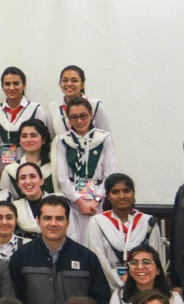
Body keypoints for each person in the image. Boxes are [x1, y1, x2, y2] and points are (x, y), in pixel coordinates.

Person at [8, 196, 110, 304]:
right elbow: (15, 299)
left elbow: (101, 298)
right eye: (47, 218)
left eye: (59, 218)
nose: (53, 224)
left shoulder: (86, 257)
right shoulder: (21, 257)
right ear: (38, 221)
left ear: (68, 223)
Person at [88, 173, 168, 292]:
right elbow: (99, 261)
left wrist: (139, 286)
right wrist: (120, 287)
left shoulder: (148, 222)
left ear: (133, 193)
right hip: (108, 290)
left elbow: (155, 260)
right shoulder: (98, 222)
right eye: (115, 192)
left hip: (144, 290)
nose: (122, 196)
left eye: (126, 191)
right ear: (108, 196)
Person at [53, 97, 117, 245]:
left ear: (91, 114)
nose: (79, 121)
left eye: (83, 116)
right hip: (73, 202)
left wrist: (96, 200)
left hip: (98, 201)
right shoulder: (62, 141)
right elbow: (62, 177)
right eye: (73, 117)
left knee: (98, 243)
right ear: (68, 119)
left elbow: (110, 174)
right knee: (75, 242)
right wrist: (79, 201)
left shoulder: (104, 138)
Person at [0, 68, 44, 167]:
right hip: (2, 165)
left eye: (16, 83)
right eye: (7, 84)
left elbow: (42, 141)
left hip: (30, 164)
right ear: (2, 86)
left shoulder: (36, 109)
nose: (11, 88)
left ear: (24, 85)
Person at [50, 65, 112, 136]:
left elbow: (106, 136)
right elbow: (52, 140)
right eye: (65, 80)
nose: (69, 84)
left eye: (74, 80)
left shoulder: (95, 106)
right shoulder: (53, 108)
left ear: (82, 84)